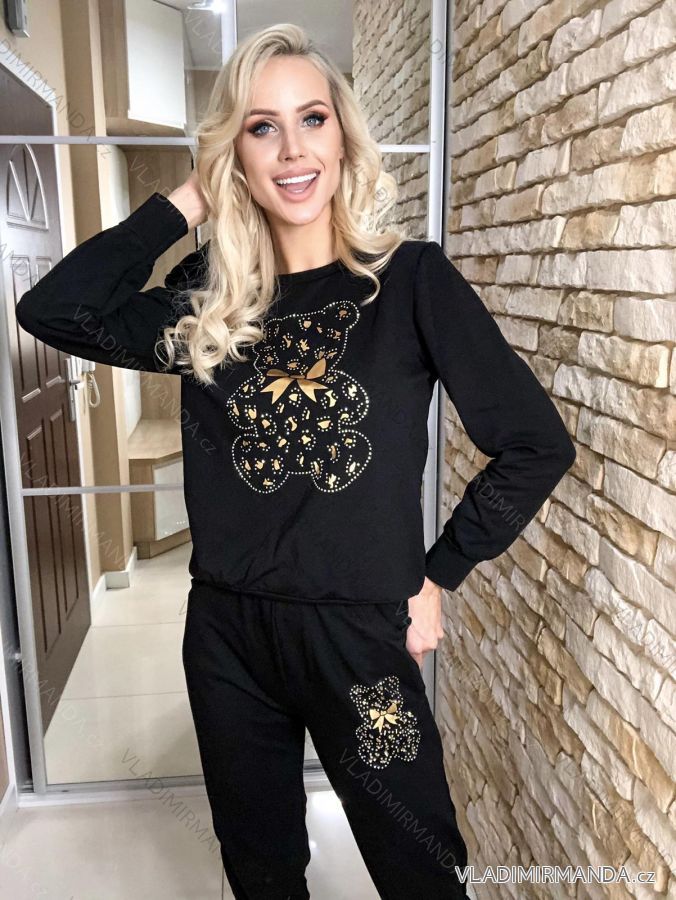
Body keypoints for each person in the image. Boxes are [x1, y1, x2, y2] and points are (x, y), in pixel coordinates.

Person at [15, 22, 576, 900]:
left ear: (343, 135)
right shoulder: (209, 302)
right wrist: (187, 201)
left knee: (423, 872)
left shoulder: (411, 281)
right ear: (234, 155)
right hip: (228, 639)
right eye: (260, 127)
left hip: (361, 638)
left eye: (312, 118)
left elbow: (536, 445)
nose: (291, 150)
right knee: (261, 872)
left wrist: (439, 574)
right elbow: (53, 309)